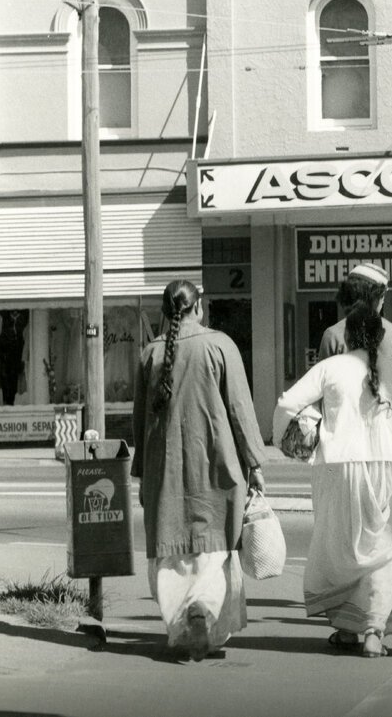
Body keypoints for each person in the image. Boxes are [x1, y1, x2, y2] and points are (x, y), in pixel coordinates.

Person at [273, 303, 392, 659]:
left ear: (347, 336)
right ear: (380, 336)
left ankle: (346, 629)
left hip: (338, 469)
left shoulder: (329, 367)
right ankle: (373, 631)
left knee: (342, 548)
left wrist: (289, 442)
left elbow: (285, 405)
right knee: (384, 552)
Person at [131, 280, 268, 662]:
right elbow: (240, 410)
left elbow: (139, 423)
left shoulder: (150, 354)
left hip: (166, 474)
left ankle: (188, 618)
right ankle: (203, 612)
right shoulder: (220, 345)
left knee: (174, 554)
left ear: (164, 311)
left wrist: (142, 474)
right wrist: (255, 463)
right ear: (199, 307)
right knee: (215, 551)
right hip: (217, 468)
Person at [317, 262, 392, 367]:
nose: (383, 301)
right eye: (383, 295)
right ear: (378, 296)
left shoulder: (332, 335)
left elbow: (323, 379)